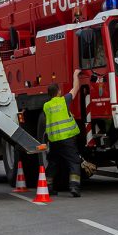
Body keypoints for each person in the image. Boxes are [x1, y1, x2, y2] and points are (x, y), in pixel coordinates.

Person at [43, 69, 83, 197]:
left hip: (54, 140)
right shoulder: (63, 100)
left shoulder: (46, 106)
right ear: (59, 92)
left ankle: (48, 187)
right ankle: (74, 187)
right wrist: (75, 75)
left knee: (53, 163)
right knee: (74, 162)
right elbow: (75, 88)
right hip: (67, 139)